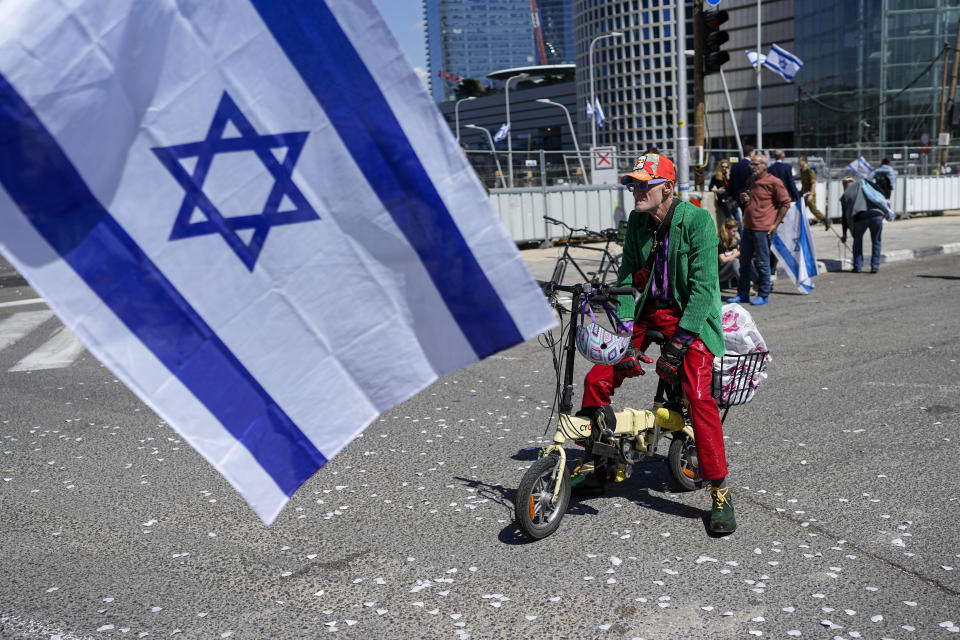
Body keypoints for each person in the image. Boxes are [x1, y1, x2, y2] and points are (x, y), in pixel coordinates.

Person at [573, 153, 736, 535]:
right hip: (649, 315)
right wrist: (627, 337)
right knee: (597, 377)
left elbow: (702, 290)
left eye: (645, 184)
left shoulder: (697, 221)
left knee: (699, 398)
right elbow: (628, 277)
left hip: (690, 321)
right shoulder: (636, 222)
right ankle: (595, 464)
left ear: (667, 187)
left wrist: (677, 348)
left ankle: (719, 491)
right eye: (633, 184)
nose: (636, 191)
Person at [726, 154, 791, 306]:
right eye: (751, 164)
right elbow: (750, 200)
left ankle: (763, 293)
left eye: (755, 164)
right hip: (748, 227)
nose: (752, 167)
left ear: (764, 165)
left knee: (762, 263)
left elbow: (785, 203)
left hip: (763, 229)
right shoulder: (751, 180)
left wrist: (775, 225)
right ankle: (743, 293)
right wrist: (744, 199)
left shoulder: (774, 182)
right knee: (744, 262)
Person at [840, 176, 888, 273]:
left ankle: (858, 266)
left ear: (844, 186)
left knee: (857, 241)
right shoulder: (865, 185)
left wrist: (844, 234)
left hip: (861, 217)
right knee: (876, 241)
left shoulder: (846, 194)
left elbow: (845, 217)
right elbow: (880, 191)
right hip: (877, 215)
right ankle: (875, 266)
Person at [798, 156, 828, 228]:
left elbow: (813, 183)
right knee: (800, 209)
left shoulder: (810, 170)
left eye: (799, 161)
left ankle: (825, 220)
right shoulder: (802, 170)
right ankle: (801, 224)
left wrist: (811, 194)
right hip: (804, 193)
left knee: (813, 209)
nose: (798, 162)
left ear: (804, 161)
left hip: (809, 193)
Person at [709, 160, 735, 225]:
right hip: (723, 200)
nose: (724, 168)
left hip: (731, 200)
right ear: (720, 167)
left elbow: (733, 187)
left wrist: (728, 176)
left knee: (738, 219)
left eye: (726, 167)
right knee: (730, 219)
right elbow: (710, 188)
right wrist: (717, 190)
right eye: (723, 167)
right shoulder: (716, 177)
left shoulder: (731, 176)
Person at [717, 218, 741, 289]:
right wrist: (737, 254)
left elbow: (735, 253)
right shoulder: (719, 241)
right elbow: (723, 260)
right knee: (735, 262)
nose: (736, 233)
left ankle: (756, 281)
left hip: (728, 271)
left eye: (737, 231)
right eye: (734, 231)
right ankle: (745, 286)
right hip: (718, 273)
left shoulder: (732, 240)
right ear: (727, 230)